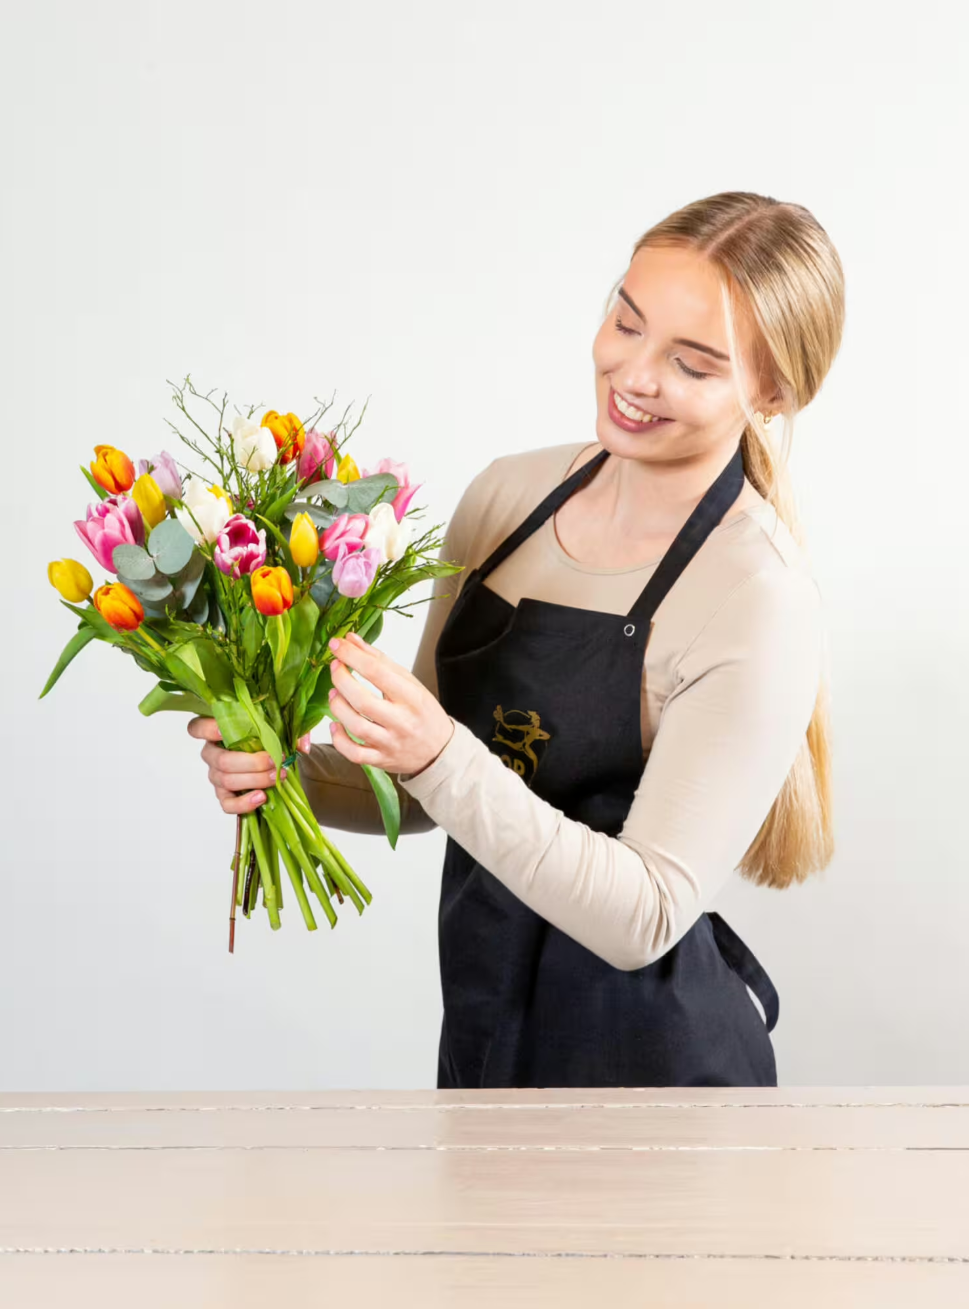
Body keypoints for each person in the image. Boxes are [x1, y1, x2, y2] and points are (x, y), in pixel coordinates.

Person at [189, 190, 842, 1090]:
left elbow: (642, 914)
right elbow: (416, 791)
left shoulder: (756, 595)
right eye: (625, 320)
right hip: (487, 1032)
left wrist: (436, 757)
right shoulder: (506, 503)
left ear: (770, 390)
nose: (634, 374)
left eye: (691, 364)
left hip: (653, 1079)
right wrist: (283, 768)